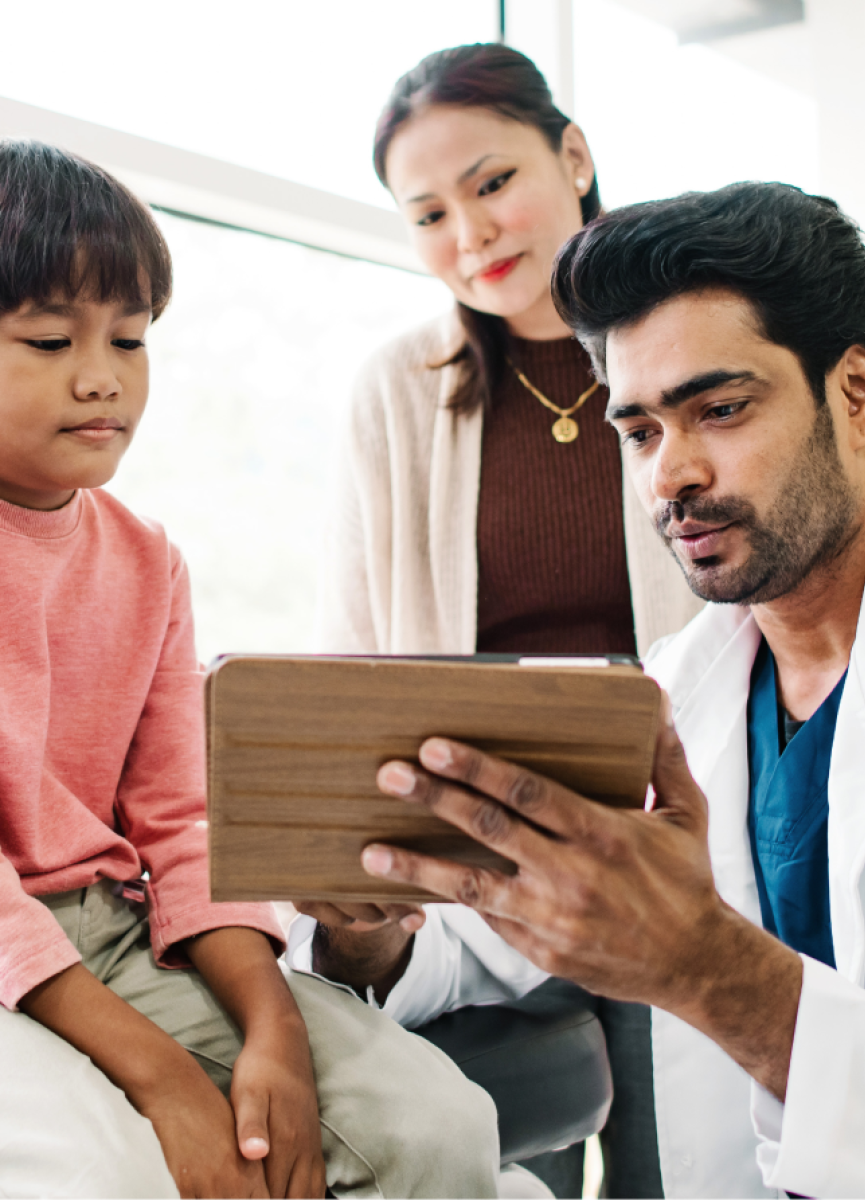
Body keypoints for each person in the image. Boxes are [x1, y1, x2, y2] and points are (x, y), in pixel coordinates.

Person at [0, 137, 501, 1200]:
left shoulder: (148, 560)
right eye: (47, 339)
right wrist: (164, 1076)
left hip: (102, 925)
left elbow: (180, 820)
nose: (101, 376)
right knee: (102, 1177)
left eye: (129, 339)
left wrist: (276, 1035)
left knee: (436, 1126)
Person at [355, 179, 865, 1199]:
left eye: (721, 410)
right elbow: (481, 928)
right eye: (642, 431)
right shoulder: (677, 691)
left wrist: (711, 973)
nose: (669, 476)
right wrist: (369, 929)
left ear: (858, 392)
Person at [297, 43, 699, 1200]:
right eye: (427, 211)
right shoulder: (397, 387)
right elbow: (355, 647)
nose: (468, 232)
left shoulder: (681, 357)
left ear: (573, 158)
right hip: (480, 821)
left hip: (672, 808)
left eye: (490, 183)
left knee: (682, 1149)